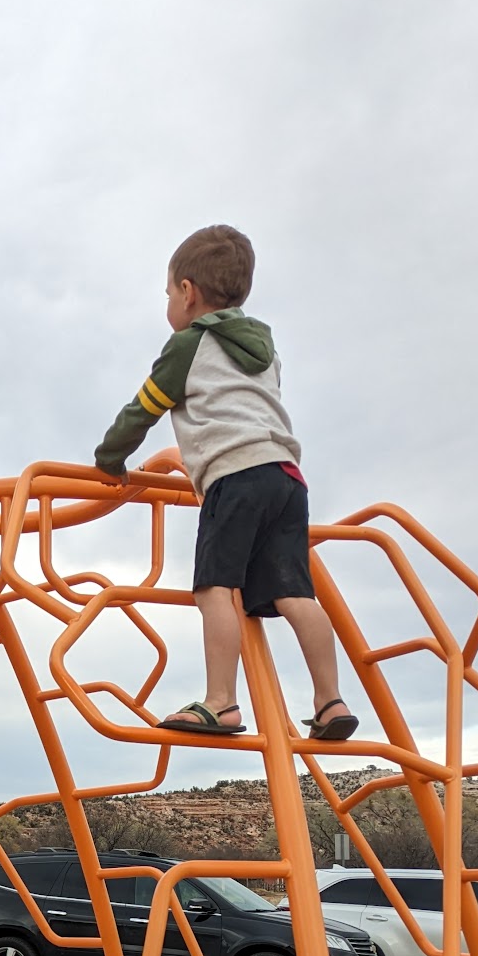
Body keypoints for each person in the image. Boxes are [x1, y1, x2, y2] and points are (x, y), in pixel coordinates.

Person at [93, 224, 358, 742]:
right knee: (294, 591)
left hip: (234, 476)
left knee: (215, 588)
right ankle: (331, 701)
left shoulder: (188, 345)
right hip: (287, 478)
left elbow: (142, 409)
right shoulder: (266, 351)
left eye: (168, 294)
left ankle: (221, 702)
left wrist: (110, 460)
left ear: (187, 292)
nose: (169, 304)